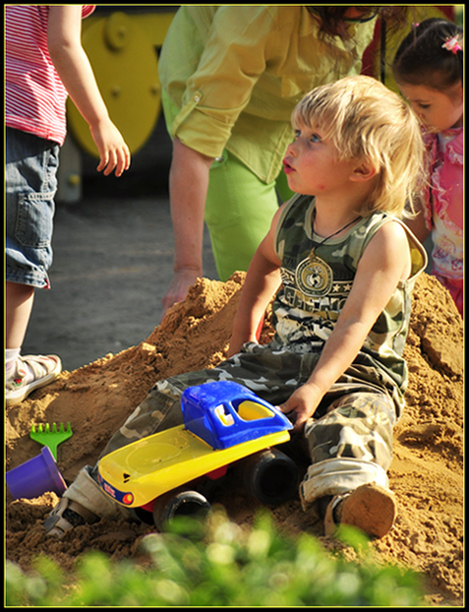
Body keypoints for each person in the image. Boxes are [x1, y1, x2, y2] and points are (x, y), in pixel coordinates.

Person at [44, 75, 427, 540]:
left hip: (353, 372)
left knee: (353, 419)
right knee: (176, 395)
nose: (292, 145)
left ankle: (344, 504)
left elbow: (354, 323)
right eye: (296, 132)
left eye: (313, 139)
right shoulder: (292, 215)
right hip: (277, 362)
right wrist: (242, 338)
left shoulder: (382, 238)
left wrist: (314, 388)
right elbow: (264, 262)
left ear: (362, 168)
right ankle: (101, 495)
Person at [158, 6, 409, 316]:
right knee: (257, 272)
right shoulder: (255, 13)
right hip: (223, 108)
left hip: (305, 114)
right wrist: (187, 267)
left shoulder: (359, 11)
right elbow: (196, 146)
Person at [5, 5, 131, 406]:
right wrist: (100, 120)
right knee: (19, 249)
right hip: (24, 127)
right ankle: (8, 366)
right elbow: (63, 43)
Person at [392, 18, 463, 317]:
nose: (415, 114)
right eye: (410, 103)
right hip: (446, 281)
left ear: (460, 90)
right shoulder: (428, 139)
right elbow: (421, 211)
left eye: (423, 104)